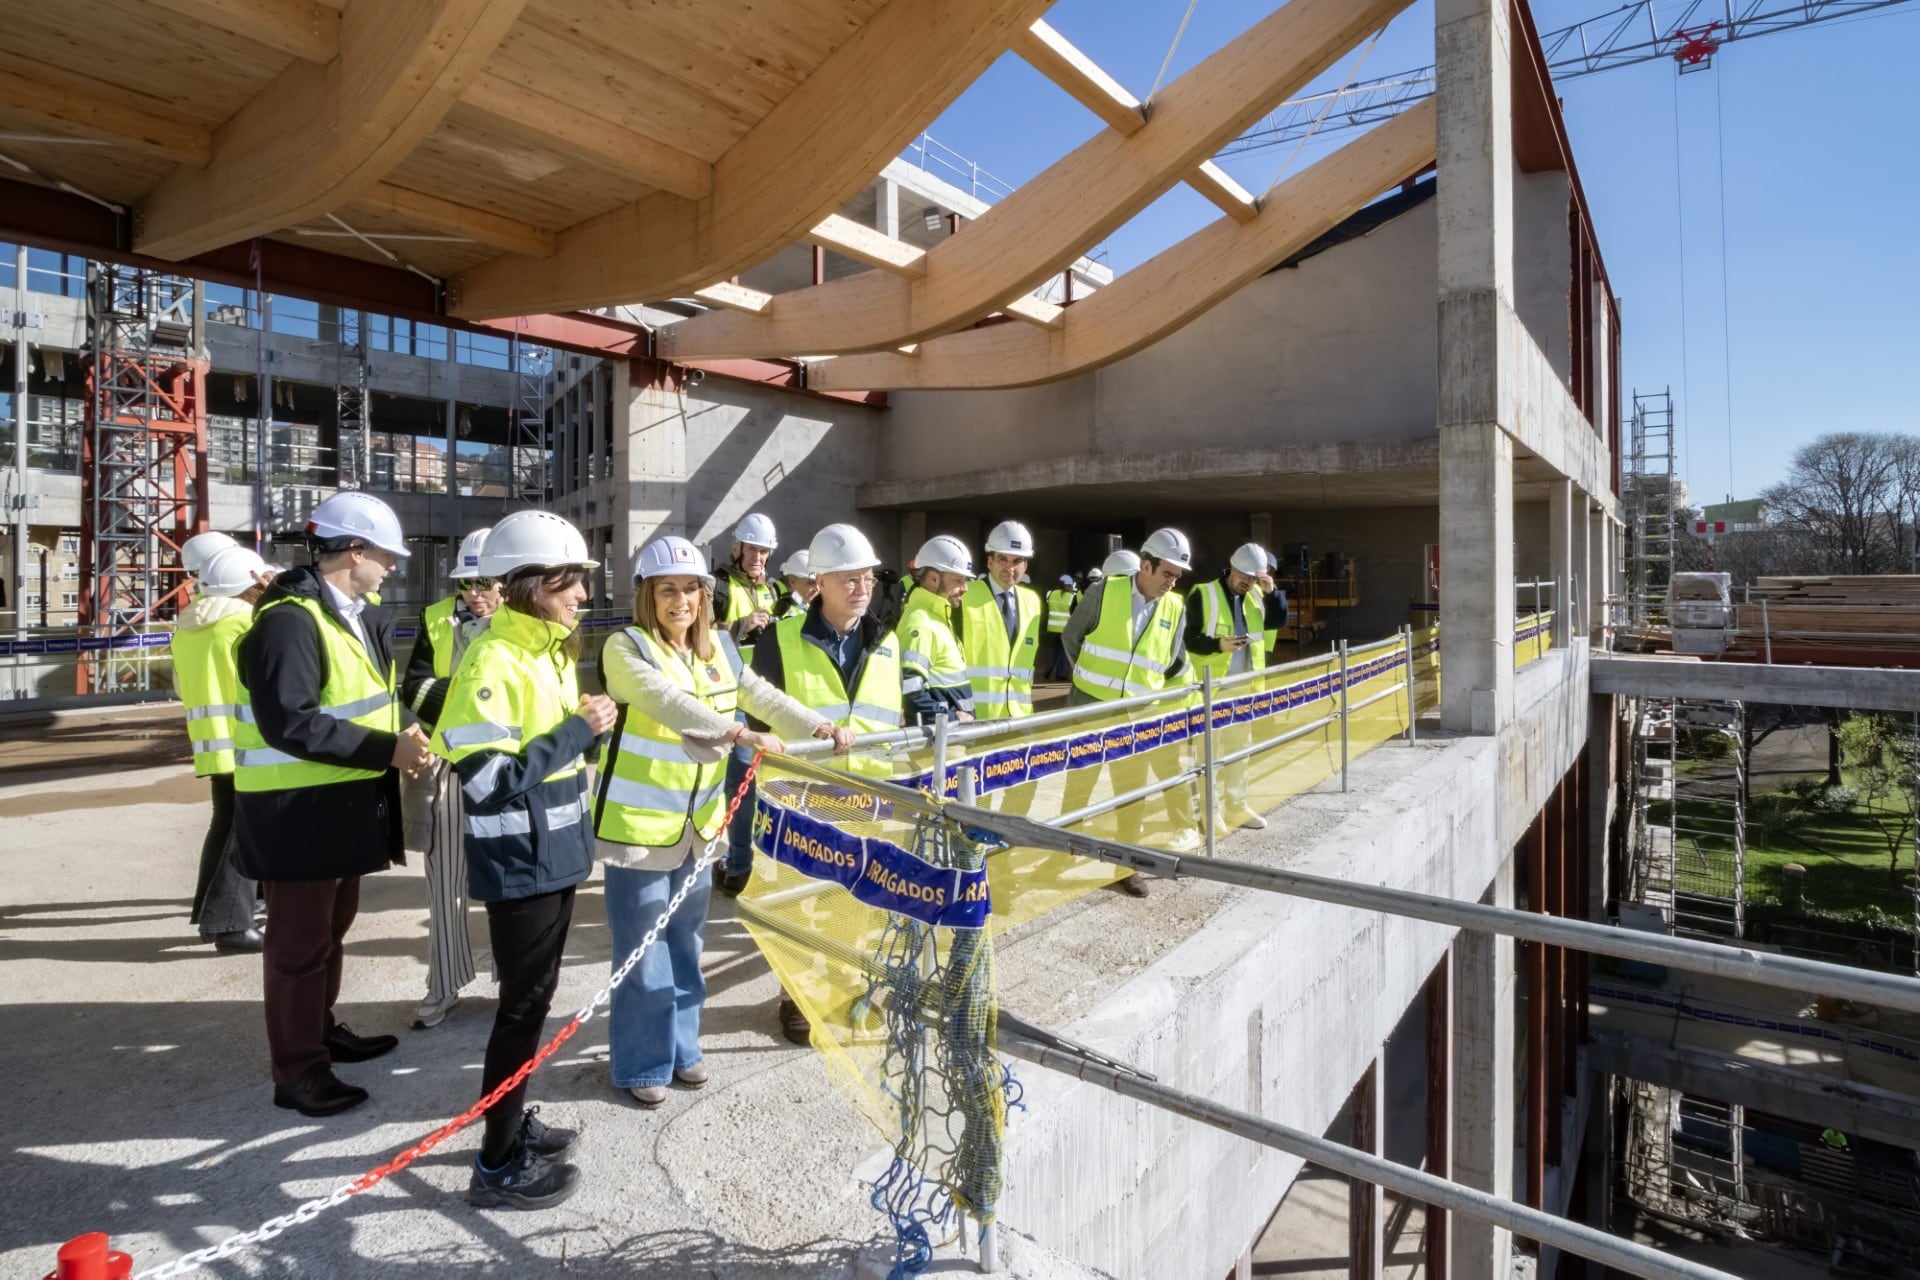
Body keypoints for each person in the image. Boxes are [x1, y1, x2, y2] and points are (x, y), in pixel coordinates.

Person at [593, 536, 843, 1107]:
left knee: (686, 943)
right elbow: (667, 702)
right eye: (667, 590)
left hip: (701, 825)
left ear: (707, 595)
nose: (681, 601)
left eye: (690, 589)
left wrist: (820, 727)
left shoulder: (722, 649)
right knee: (642, 951)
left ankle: (683, 1049)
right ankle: (641, 1063)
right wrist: (737, 732)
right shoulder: (625, 647)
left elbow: (764, 695)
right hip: (639, 826)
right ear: (646, 596)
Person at [232, 492, 432, 1117]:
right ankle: (297, 1072)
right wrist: (387, 750)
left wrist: (404, 731)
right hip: (296, 812)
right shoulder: (290, 620)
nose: (392, 567)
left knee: (329, 932)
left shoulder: (352, 615)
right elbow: (289, 722)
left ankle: (319, 1034)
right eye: (385, 555)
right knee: (297, 948)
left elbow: (369, 696)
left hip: (338, 803)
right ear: (354, 551)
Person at [432, 508, 607, 1210]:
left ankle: (512, 1121)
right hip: (520, 862)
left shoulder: (543, 651)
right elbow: (486, 779)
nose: (584, 597)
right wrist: (577, 729)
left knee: (533, 1003)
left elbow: (556, 760)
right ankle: (497, 1162)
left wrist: (583, 733)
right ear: (535, 584)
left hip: (554, 856)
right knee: (521, 1007)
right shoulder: (493, 659)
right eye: (573, 583)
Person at [750, 523, 900, 1044]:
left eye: (868, 579)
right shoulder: (780, 639)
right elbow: (759, 717)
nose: (862, 589)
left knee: (857, 902)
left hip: (868, 796)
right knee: (801, 900)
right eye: (849, 580)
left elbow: (893, 719)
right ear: (820, 583)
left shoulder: (886, 639)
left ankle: (850, 989)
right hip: (803, 797)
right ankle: (796, 995)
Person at [1061, 529, 1204, 893]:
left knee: (1131, 796)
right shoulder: (1102, 593)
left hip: (1137, 718)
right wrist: (1090, 681)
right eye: (1166, 573)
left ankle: (1124, 867)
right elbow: (1071, 637)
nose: (1172, 582)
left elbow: (1169, 659)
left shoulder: (1175, 608)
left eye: (1176, 576)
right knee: (1078, 788)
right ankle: (1059, 855)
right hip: (1090, 711)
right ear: (1145, 565)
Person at [398, 526, 496, 1029]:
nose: (475, 594)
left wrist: (453, 697)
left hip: (506, 773)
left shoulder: (528, 622)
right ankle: (443, 985)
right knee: (444, 883)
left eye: (486, 582)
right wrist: (470, 708)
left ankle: (514, 982)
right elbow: (413, 687)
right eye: (466, 584)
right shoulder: (436, 619)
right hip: (449, 767)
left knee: (507, 884)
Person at [173, 543, 270, 953]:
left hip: (212, 742)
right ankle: (229, 922)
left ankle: (208, 906)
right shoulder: (247, 623)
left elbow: (179, 686)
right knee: (247, 830)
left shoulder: (188, 624)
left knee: (224, 823)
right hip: (248, 738)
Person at [711, 513, 781, 898]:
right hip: (733, 697)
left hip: (767, 695)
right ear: (737, 548)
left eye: (764, 551)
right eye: (753, 549)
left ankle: (759, 859)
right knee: (742, 782)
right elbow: (699, 634)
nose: (758, 556)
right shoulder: (718, 586)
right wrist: (740, 624)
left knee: (767, 784)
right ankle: (738, 865)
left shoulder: (771, 589)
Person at [1187, 542, 1278, 831]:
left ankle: (1237, 807)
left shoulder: (1255, 597)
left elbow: (1278, 620)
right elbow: (1188, 638)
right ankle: (1210, 814)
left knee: (1240, 753)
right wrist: (1218, 645)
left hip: (1244, 688)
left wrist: (1272, 593)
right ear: (1232, 567)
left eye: (1253, 578)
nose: (1247, 582)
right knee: (1209, 755)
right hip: (1212, 690)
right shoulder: (1204, 593)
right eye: (1244, 576)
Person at [959, 521, 1042, 719]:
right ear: (990, 562)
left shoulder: (1033, 601)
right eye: (1002, 559)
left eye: (1016, 561)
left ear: (1025, 565)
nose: (1009, 568)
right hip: (975, 714)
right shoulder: (965, 596)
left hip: (1019, 715)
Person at [900, 534, 977, 726]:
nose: (965, 588)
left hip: (947, 738)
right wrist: (950, 719)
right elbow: (910, 689)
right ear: (934, 579)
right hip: (937, 744)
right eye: (959, 580)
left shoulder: (938, 618)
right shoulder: (920, 622)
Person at [1042, 573, 1080, 684]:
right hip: (1065, 630)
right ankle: (1061, 674)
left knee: (1053, 651)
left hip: (1052, 628)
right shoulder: (1071, 597)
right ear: (1068, 585)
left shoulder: (1051, 594)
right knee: (1063, 653)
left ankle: (1048, 671)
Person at [776, 549, 816, 619]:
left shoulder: (815, 608)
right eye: (811, 583)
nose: (817, 588)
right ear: (792, 582)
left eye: (819, 582)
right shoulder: (781, 611)